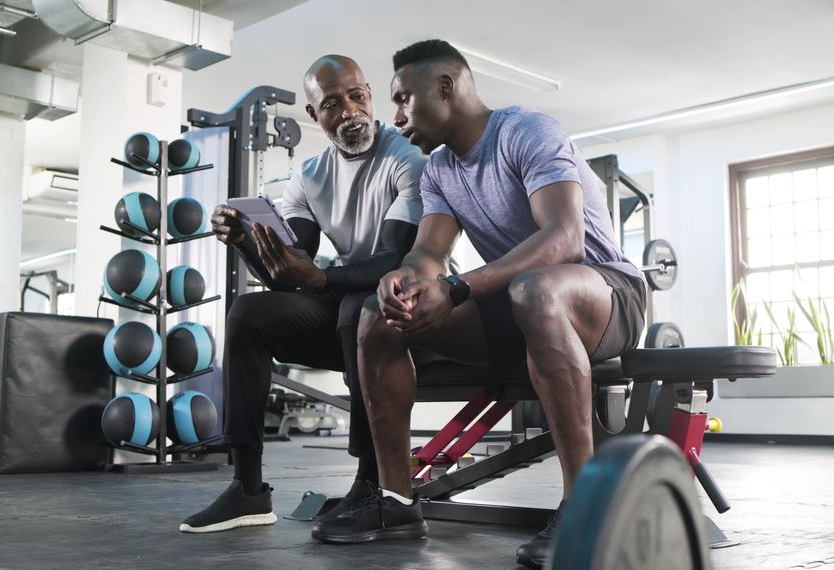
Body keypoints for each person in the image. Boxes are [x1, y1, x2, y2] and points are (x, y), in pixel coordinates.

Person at [310, 40, 647, 569]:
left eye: (403, 100)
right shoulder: (440, 169)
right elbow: (427, 254)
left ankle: (584, 507)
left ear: (445, 86)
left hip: (606, 296)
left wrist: (458, 288)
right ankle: (396, 501)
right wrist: (403, 282)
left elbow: (564, 239)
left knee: (536, 289)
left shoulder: (527, 131)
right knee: (378, 316)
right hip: (521, 307)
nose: (395, 118)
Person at [180, 54, 427, 533]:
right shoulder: (309, 174)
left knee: (360, 304)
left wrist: (322, 279)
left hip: (410, 305)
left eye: (357, 96)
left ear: (370, 95)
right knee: (250, 311)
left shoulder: (405, 159)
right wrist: (247, 244)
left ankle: (371, 484)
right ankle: (247, 488)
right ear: (314, 116)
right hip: (347, 307)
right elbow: (288, 271)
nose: (350, 110)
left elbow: (397, 255)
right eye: (333, 104)